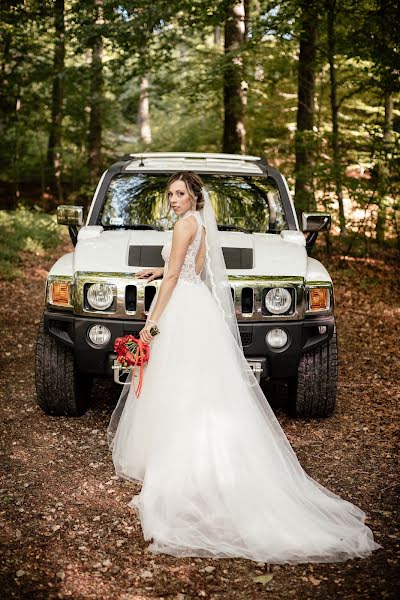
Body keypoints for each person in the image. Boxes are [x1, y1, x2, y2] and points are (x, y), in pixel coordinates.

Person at [107, 171, 381, 563]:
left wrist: (151, 323)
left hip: (179, 309)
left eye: (179, 193)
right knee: (200, 386)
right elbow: (191, 271)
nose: (173, 199)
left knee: (177, 384)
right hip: (197, 305)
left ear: (193, 196)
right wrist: (158, 271)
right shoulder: (199, 224)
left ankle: (182, 465)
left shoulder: (184, 224)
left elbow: (174, 276)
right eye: (170, 194)